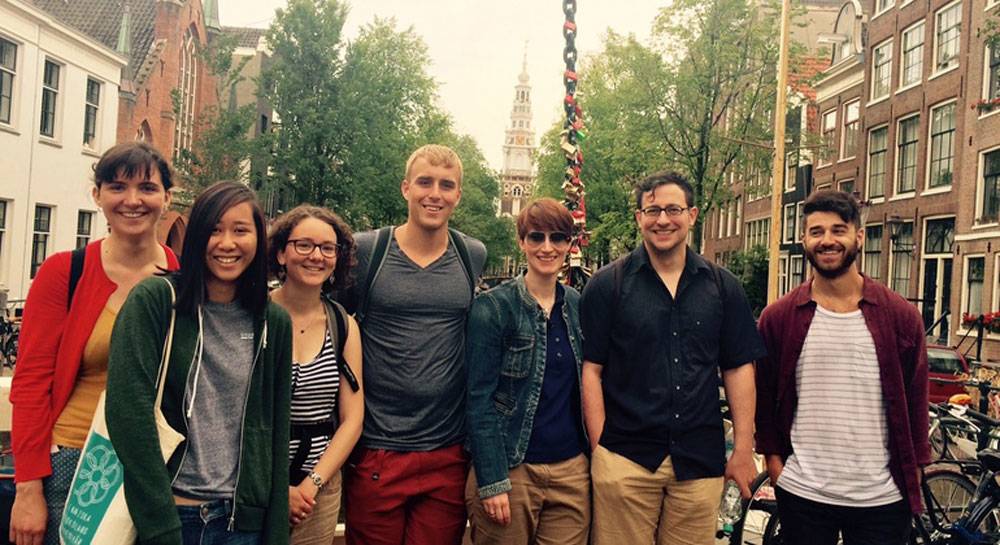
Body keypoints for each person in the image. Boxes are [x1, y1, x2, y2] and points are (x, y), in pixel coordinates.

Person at [580, 171, 766, 544]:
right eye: (652, 210)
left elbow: (738, 368)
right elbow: (591, 370)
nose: (662, 219)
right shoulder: (607, 285)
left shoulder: (722, 286)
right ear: (638, 218)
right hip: (626, 459)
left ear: (692, 215)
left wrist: (743, 447)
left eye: (673, 209)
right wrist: (602, 451)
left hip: (698, 462)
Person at [9, 142, 180, 545]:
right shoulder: (63, 273)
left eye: (147, 188)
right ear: (97, 195)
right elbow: (31, 383)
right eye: (117, 187)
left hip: (158, 464)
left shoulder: (185, 279)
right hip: (78, 458)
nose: (132, 200)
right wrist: (28, 489)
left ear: (167, 197)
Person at [106, 181, 293, 545]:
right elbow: (127, 413)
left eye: (241, 230)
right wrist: (161, 525)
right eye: (214, 230)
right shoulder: (157, 301)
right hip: (173, 515)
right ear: (195, 239)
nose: (227, 243)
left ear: (259, 238)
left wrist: (274, 533)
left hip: (242, 524)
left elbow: (275, 427)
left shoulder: (273, 322)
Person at [755, 190, 928, 545]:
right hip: (803, 491)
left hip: (880, 496)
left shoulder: (900, 317)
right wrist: (774, 463)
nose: (827, 241)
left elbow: (915, 399)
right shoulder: (778, 318)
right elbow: (765, 395)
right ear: (803, 239)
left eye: (838, 230)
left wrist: (917, 467)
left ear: (858, 237)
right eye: (816, 232)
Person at [340, 144, 486, 545]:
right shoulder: (369, 250)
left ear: (458, 195)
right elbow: (332, 328)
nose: (434, 194)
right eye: (424, 182)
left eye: (446, 185)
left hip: (447, 448)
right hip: (377, 447)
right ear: (406, 188)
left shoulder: (471, 254)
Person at [465, 198, 590, 545]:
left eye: (558, 238)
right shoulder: (493, 308)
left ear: (569, 244)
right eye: (536, 237)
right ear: (522, 242)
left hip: (571, 471)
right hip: (512, 467)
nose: (547, 247)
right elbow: (478, 400)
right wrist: (491, 480)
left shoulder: (578, 305)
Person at [267, 205, 364, 544]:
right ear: (281, 252)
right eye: (304, 245)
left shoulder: (344, 326)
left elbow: (352, 418)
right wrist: (279, 487)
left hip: (318, 490)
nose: (316, 256)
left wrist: (311, 485)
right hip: (257, 480)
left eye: (327, 248)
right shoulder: (254, 317)